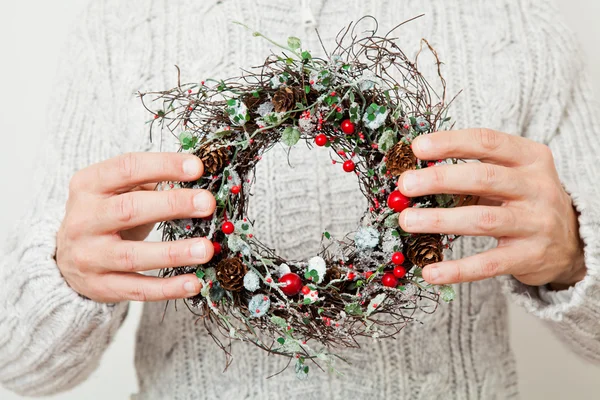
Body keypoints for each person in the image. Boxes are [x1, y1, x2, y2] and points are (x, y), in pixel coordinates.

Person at [1, 0, 599, 399]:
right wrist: (66, 275)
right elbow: (18, 365)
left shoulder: (521, 24)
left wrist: (574, 257)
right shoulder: (120, 30)